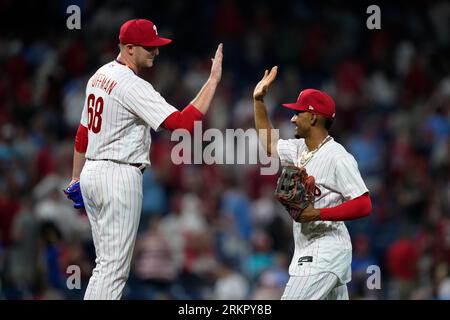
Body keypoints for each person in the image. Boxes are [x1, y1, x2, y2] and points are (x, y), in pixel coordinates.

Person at [64, 18, 223, 300]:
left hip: (92, 172)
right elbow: (183, 124)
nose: (156, 52)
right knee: (114, 270)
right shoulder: (132, 85)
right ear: (128, 48)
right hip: (119, 176)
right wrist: (212, 82)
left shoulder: (98, 75)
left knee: (105, 266)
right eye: (149, 47)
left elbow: (82, 133)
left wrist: (76, 177)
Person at [252, 66, 372, 300]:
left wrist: (317, 213)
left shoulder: (338, 156)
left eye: (299, 113)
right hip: (310, 248)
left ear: (314, 117)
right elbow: (269, 144)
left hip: (326, 249)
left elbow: (364, 204)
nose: (293, 118)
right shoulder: (299, 148)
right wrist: (258, 101)